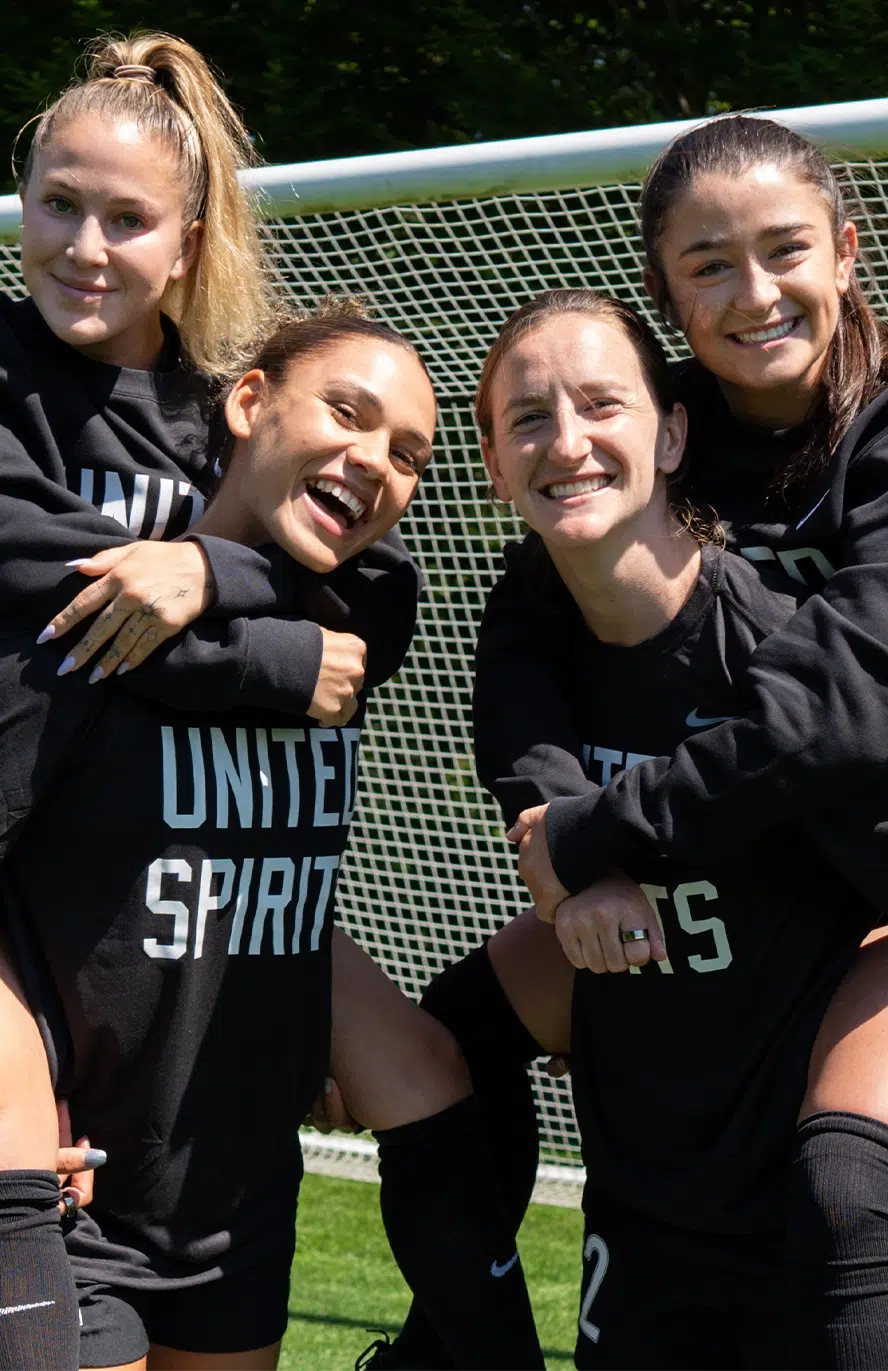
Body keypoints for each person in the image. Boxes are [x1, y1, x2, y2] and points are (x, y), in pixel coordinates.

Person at [0, 33, 544, 1371]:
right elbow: (59, 606)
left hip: (222, 1029)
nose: (84, 243)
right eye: (56, 203)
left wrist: (209, 564)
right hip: (50, 939)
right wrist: (275, 661)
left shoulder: (214, 410)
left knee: (420, 1065)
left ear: (186, 244)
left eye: (127, 218)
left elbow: (372, 585)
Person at [387, 115, 888, 1371]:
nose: (754, 292)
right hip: (725, 856)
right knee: (439, 1041)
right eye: (708, 264)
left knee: (841, 1190)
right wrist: (556, 828)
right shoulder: (651, 432)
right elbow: (525, 634)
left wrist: (590, 836)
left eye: (784, 251)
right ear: (664, 289)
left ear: (847, 250)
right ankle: (447, 1343)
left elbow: (838, 706)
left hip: (869, 871)